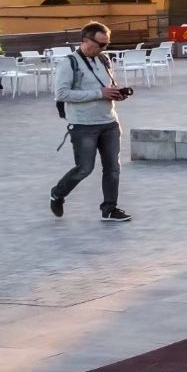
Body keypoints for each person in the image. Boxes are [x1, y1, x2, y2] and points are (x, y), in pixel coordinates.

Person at [49, 22, 134, 223]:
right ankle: (57, 193)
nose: (104, 48)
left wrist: (115, 93)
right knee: (84, 168)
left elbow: (105, 87)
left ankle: (109, 209)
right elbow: (61, 94)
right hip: (83, 125)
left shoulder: (103, 59)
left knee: (113, 168)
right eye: (101, 44)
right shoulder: (69, 63)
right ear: (85, 41)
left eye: (107, 44)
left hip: (109, 122)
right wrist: (99, 93)